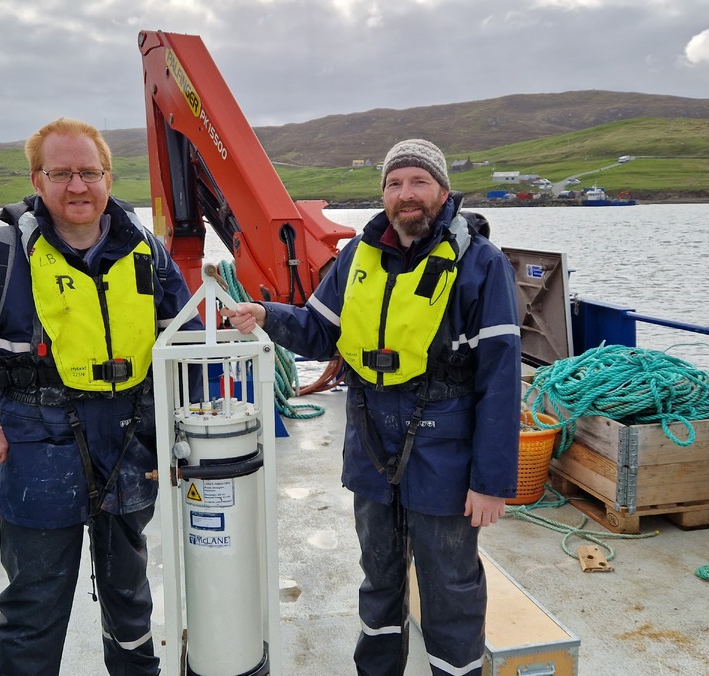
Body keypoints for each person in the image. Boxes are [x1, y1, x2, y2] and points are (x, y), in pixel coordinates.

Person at [0, 117, 199, 676]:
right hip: (40, 453)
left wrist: (182, 436)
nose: (77, 187)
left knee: (130, 600)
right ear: (37, 181)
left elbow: (187, 348)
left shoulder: (149, 255)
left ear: (109, 177)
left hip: (130, 450)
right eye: (60, 173)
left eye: (89, 172)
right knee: (34, 606)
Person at [223, 139, 522, 675]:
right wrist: (266, 314)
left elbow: (501, 378)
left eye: (418, 182)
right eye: (394, 183)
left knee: (449, 584)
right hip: (371, 444)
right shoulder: (355, 258)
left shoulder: (481, 262)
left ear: (443, 191)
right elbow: (319, 332)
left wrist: (492, 481)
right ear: (383, 195)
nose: (406, 194)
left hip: (446, 452)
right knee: (378, 575)